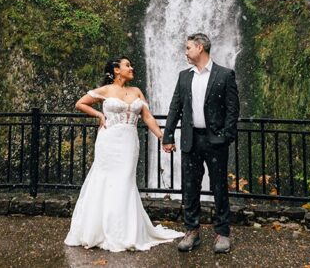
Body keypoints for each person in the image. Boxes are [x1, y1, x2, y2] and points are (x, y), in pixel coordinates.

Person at [63, 57, 184, 252]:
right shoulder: (106, 90)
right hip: (108, 140)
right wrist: (100, 115)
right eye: (127, 65)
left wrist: (162, 137)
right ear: (116, 70)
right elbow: (81, 103)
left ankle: (125, 231)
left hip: (129, 141)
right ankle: (103, 230)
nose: (131, 68)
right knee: (105, 180)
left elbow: (147, 117)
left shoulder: (136, 91)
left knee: (125, 180)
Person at [162, 32, 240, 253]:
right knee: (190, 187)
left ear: (200, 48)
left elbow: (233, 110)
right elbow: (175, 107)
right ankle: (192, 231)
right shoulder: (184, 76)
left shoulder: (225, 75)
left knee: (219, 187)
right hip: (190, 139)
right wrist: (167, 136)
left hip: (215, 139)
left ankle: (223, 233)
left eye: (188, 48)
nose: (185, 52)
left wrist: (226, 136)